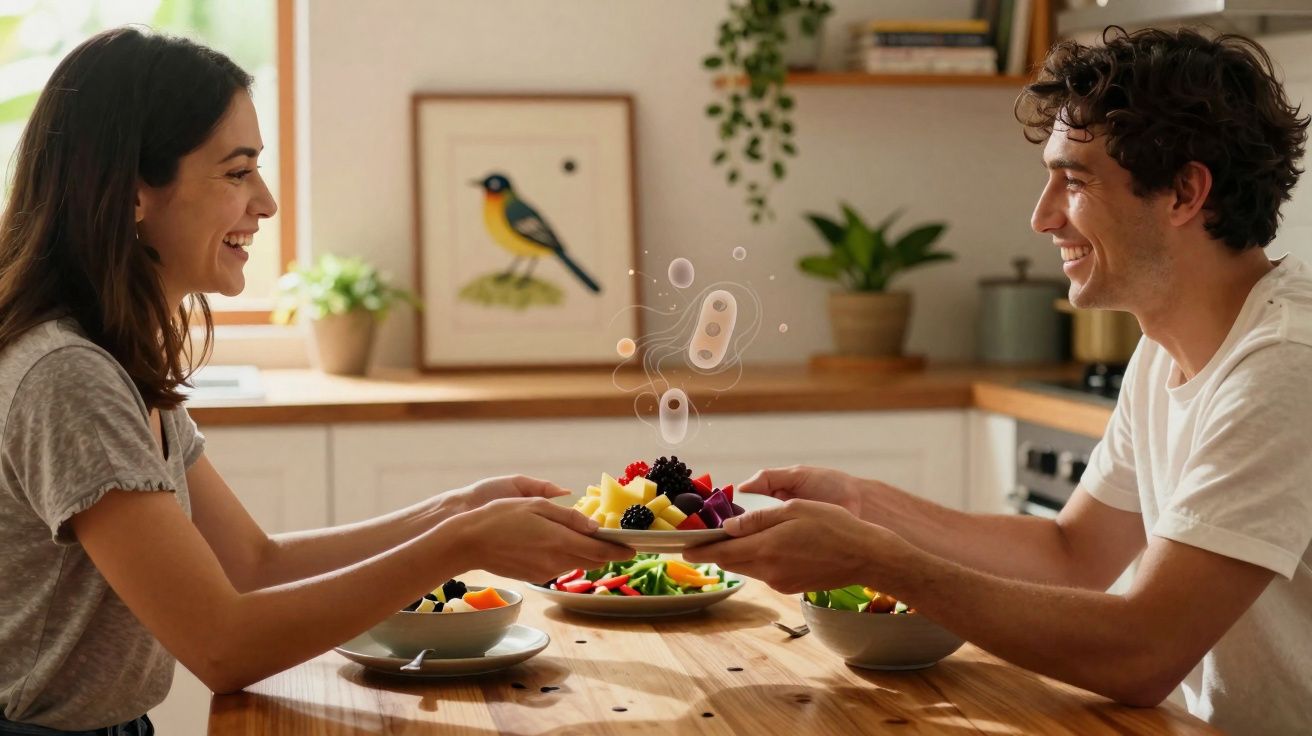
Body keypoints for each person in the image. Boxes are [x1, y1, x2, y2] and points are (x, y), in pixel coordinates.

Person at [0, 27, 630, 734]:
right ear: (133, 193)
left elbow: (252, 563)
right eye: (237, 172)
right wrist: (464, 545)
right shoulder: (69, 377)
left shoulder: (119, 359)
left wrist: (456, 511)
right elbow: (223, 643)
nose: (265, 203)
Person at [687, 26, 1312, 735]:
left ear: (1184, 192)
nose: (1042, 216)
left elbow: (1144, 651)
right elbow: (1072, 556)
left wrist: (878, 561)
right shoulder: (1166, 348)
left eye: (1074, 181)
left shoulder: (1286, 366)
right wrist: (864, 505)